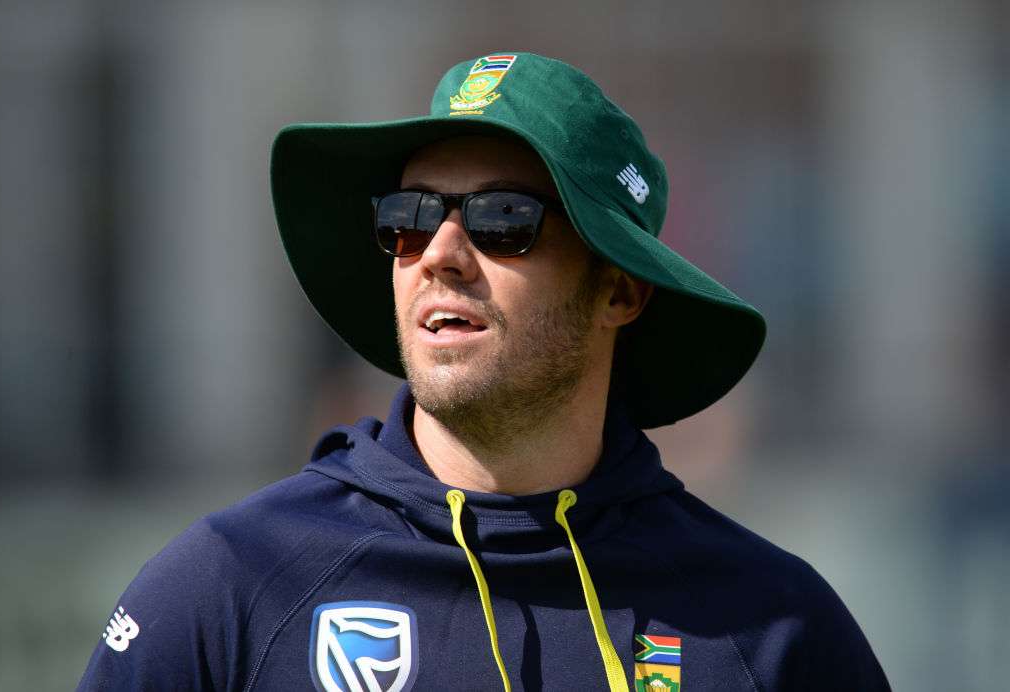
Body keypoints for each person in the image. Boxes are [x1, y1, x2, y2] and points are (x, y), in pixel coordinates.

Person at [78, 52, 890, 691]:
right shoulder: (230, 586)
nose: (439, 253)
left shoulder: (772, 625)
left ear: (619, 290)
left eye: (505, 220)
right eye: (409, 218)